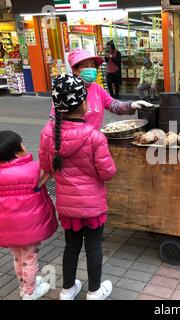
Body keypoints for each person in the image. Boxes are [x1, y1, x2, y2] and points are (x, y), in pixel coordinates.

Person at [40, 74, 117, 300]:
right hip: (92, 206)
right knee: (93, 247)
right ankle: (94, 291)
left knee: (71, 246)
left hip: (67, 206)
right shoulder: (95, 137)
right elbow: (108, 173)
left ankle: (67, 289)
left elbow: (47, 168)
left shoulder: (48, 134)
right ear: (83, 104)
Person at [0, 131, 57, 300]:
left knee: (18, 258)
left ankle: (23, 286)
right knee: (30, 259)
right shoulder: (33, 169)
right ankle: (30, 292)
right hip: (30, 228)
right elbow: (51, 171)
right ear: (18, 151)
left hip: (7, 227)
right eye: (22, 143)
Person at [55, 49, 152, 131]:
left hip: (95, 141)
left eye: (93, 66)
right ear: (74, 70)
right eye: (85, 66)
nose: (91, 69)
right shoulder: (66, 91)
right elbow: (54, 121)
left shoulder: (97, 89)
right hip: (73, 143)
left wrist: (131, 105)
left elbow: (113, 105)